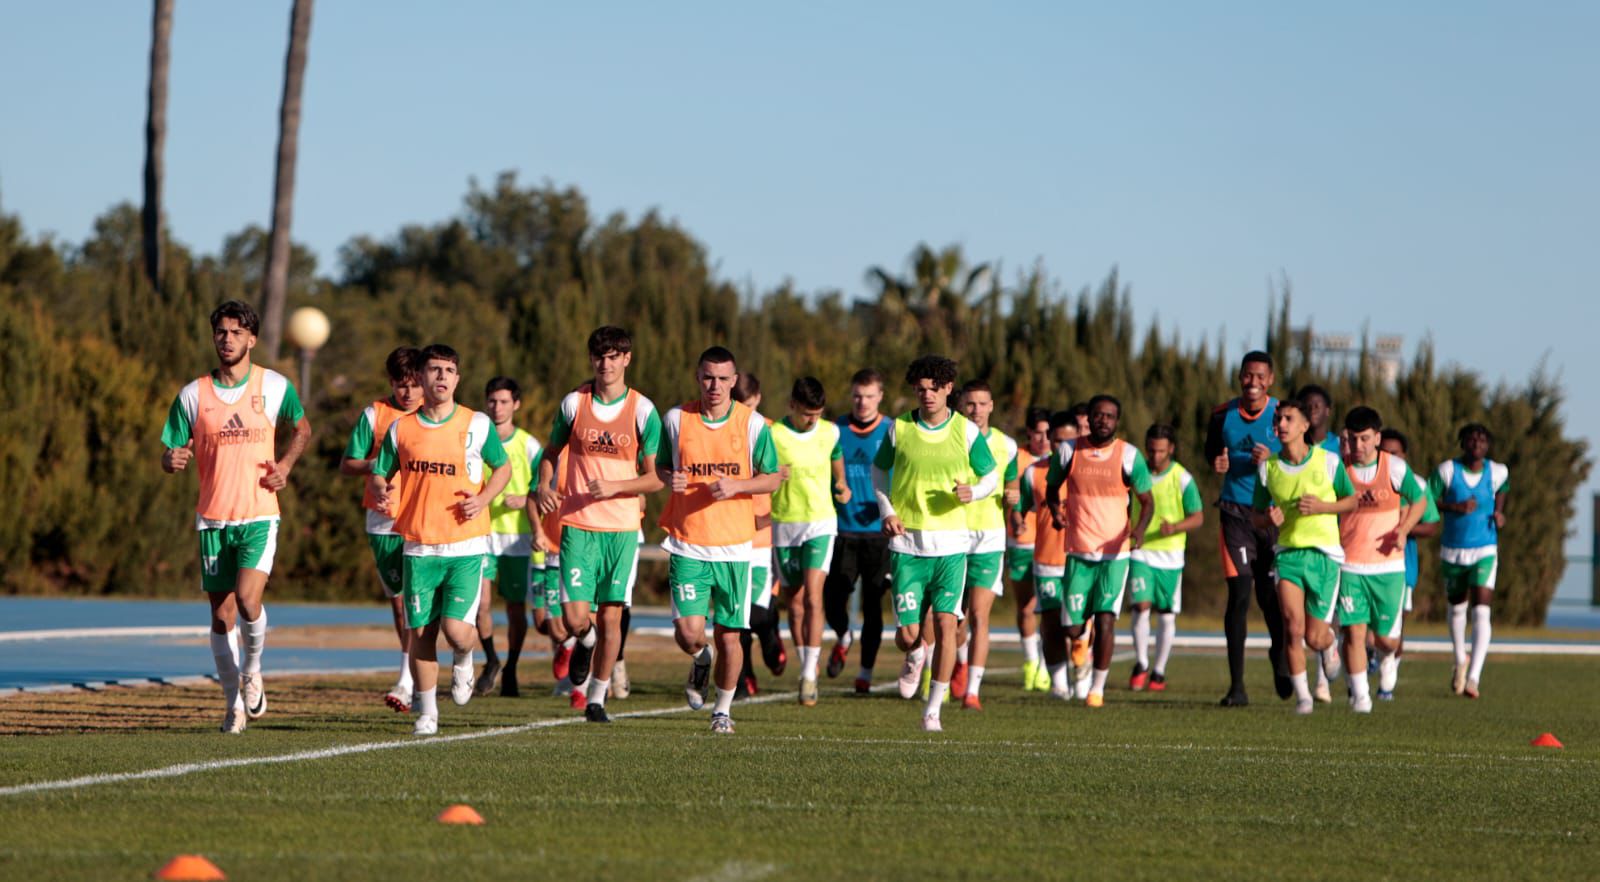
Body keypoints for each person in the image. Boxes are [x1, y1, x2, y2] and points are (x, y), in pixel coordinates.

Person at [160, 300, 312, 734]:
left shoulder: (275, 385)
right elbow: (169, 449)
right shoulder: (193, 395)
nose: (227, 339)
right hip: (212, 518)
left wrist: (284, 466)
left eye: (236, 332)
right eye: (221, 332)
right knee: (221, 617)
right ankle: (232, 706)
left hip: (260, 515)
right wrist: (171, 460)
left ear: (252, 339)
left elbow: (302, 429)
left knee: (248, 601)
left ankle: (253, 670)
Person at [368, 344, 511, 736]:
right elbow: (381, 471)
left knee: (455, 630)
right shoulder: (402, 428)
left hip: (465, 546)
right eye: (434, 370)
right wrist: (382, 488)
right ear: (422, 377)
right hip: (418, 545)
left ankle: (465, 656)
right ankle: (428, 713)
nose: (442, 377)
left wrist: (483, 499)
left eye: (449, 369)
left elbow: (502, 467)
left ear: (457, 378)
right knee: (422, 633)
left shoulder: (476, 424)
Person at [534, 326, 664, 723]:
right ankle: (584, 642)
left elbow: (656, 478)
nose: (605, 364)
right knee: (574, 618)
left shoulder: (643, 410)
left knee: (611, 618)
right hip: (577, 523)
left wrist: (616, 487)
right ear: (591, 359)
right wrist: (542, 484)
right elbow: (550, 452)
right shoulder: (574, 403)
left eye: (614, 356)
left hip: (622, 531)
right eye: (599, 356)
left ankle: (597, 698)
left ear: (627, 359)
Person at [659, 347, 783, 734]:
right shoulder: (677, 419)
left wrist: (739, 486)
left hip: (734, 547)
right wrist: (668, 478)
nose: (715, 385)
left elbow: (773, 476)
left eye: (722, 378)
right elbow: (659, 465)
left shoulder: (753, 424)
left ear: (734, 381)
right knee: (689, 632)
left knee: (731, 635)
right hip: (688, 542)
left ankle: (723, 712)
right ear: (698, 378)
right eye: (707, 377)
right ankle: (699, 658)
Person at [875, 356, 999, 731]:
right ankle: (914, 654)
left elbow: (991, 475)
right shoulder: (899, 429)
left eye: (934, 388)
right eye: (920, 389)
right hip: (907, 545)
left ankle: (933, 711)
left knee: (947, 624)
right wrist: (886, 510)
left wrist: (973, 492)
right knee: (909, 634)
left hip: (951, 546)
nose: (927, 395)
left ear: (948, 389)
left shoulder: (966, 431)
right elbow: (879, 471)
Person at [1250, 396, 1358, 715]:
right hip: (1288, 556)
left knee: (1314, 636)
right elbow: (1255, 516)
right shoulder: (1268, 469)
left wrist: (1323, 507)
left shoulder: (1328, 462)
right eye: (1278, 420)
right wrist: (1267, 520)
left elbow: (1351, 502)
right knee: (1292, 628)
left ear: (1304, 426)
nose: (1281, 425)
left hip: (1325, 557)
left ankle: (1329, 644)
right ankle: (1304, 699)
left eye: (1288, 419)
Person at [1045, 395, 1154, 708]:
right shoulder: (1068, 451)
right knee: (1072, 627)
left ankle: (1097, 690)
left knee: (1107, 620)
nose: (1103, 420)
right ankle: (1082, 638)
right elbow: (1053, 488)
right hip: (1079, 552)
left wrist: (1139, 530)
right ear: (1088, 419)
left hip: (1114, 555)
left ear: (1116, 421)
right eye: (1098, 415)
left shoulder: (1129, 456)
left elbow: (1147, 501)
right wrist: (1056, 512)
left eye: (1109, 416)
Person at [339, 346, 423, 713]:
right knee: (401, 603)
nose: (408, 392)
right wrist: (376, 465)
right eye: (400, 385)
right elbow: (347, 464)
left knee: (420, 601)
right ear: (391, 383)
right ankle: (412, 675)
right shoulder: (375, 414)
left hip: (424, 519)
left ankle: (410, 680)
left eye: (414, 384)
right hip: (383, 521)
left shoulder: (435, 415)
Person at [1204, 351, 1289, 707]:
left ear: (1270, 380)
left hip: (1273, 515)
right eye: (1247, 376)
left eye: (1260, 377)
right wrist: (1217, 462)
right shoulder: (1222, 414)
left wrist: (1271, 458)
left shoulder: (1284, 414)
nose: (1253, 383)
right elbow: (1212, 452)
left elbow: (1299, 458)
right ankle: (1237, 687)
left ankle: (1280, 659)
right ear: (1239, 377)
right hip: (1235, 515)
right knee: (1239, 596)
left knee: (1272, 599)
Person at [1335, 406, 1427, 713]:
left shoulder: (1395, 468)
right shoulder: (1338, 467)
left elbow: (1420, 500)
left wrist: (1403, 529)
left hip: (1389, 568)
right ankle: (1360, 696)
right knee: (1354, 632)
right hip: (1350, 565)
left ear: (1377, 437)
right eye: (1354, 438)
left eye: (1365, 438)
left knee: (1385, 641)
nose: (1359, 446)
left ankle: (1388, 658)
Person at [770, 377, 849, 706]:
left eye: (817, 414)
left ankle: (809, 675)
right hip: (784, 523)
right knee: (795, 601)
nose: (812, 420)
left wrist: (842, 483)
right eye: (806, 414)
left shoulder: (831, 431)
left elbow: (837, 458)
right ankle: (806, 662)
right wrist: (774, 474)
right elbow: (759, 471)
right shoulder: (773, 434)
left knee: (815, 597)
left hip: (820, 521)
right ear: (792, 406)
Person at [824, 369, 894, 694]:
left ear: (880, 396)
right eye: (857, 396)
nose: (862, 402)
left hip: (880, 534)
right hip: (843, 530)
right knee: (833, 598)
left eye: (869, 396)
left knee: (873, 606)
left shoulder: (893, 430)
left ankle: (865, 672)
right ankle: (842, 635)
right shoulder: (834, 430)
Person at [1429, 423, 1510, 699]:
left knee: (1482, 610)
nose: (1477, 443)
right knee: (1457, 609)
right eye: (1471, 438)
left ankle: (1474, 677)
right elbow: (1427, 499)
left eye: (1483, 439)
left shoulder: (1497, 472)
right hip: (1453, 550)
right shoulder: (1447, 471)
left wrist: (1499, 513)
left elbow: (1503, 489)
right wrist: (1454, 507)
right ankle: (1459, 659)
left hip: (1485, 550)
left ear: (1488, 446)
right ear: (1462, 442)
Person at [955, 381, 1021, 710]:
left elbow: (1013, 489)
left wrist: (1015, 501)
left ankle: (972, 691)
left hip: (989, 538)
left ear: (991, 406)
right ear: (960, 405)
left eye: (982, 404)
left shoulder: (1008, 446)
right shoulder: (952, 438)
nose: (976, 410)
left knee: (980, 615)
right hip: (951, 533)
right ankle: (957, 662)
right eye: (970, 404)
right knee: (954, 619)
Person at [481, 377, 545, 698]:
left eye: (504, 401)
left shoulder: (528, 444)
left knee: (515, 610)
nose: (497, 407)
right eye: (492, 401)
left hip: (517, 540)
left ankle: (512, 667)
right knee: (480, 605)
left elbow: (548, 487)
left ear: (516, 405)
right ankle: (491, 659)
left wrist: (525, 497)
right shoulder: (476, 439)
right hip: (481, 534)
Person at [1127, 423, 1204, 692]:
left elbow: (1197, 517)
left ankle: (1159, 671)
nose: (1155, 456)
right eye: (1150, 450)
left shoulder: (1182, 478)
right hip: (1141, 551)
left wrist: (1175, 527)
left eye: (1160, 451)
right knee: (1140, 606)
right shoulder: (1137, 474)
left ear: (1170, 449)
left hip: (1171, 557)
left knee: (1167, 615)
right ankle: (1140, 663)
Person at [1374, 428, 1441, 698]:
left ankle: (1387, 675)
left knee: (1394, 625)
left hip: (1402, 565)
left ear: (1404, 456)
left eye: (1395, 453)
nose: (1389, 457)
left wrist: (1403, 527)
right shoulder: (1367, 478)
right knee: (1362, 624)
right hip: (1363, 560)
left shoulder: (1416, 484)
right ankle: (1366, 663)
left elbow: (1432, 526)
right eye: (1385, 452)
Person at [731, 373, 783, 699]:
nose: (746, 413)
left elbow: (789, 482)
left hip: (763, 535)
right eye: (741, 406)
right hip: (729, 534)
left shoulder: (772, 431)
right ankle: (742, 676)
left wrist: (776, 517)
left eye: (750, 406)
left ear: (758, 399)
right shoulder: (724, 430)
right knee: (735, 615)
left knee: (758, 612)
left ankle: (770, 636)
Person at [1295, 383, 1345, 701]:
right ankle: (1314, 681)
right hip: (1297, 539)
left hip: (1333, 538)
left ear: (1327, 410)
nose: (1312, 410)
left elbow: (1350, 491)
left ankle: (1323, 679)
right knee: (1300, 614)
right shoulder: (1290, 446)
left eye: (1317, 405)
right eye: (1306, 405)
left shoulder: (1341, 448)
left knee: (1326, 615)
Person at [1020, 411, 1074, 698]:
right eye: (1058, 441)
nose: (1063, 447)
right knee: (1051, 623)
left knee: (1079, 625)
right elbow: (1023, 508)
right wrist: (1017, 518)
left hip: (1083, 559)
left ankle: (1086, 675)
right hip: (1047, 560)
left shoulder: (1088, 471)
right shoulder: (1034, 472)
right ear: (1050, 441)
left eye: (1070, 441)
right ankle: (1060, 684)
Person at [1009, 408, 1053, 692]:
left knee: (1050, 609)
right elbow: (1011, 495)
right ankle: (1030, 663)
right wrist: (1017, 519)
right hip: (1022, 543)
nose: (1044, 438)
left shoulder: (1061, 458)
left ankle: (1050, 667)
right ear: (1028, 433)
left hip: (1052, 544)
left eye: (1048, 433)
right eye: (1038, 432)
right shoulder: (1018, 458)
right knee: (1025, 607)